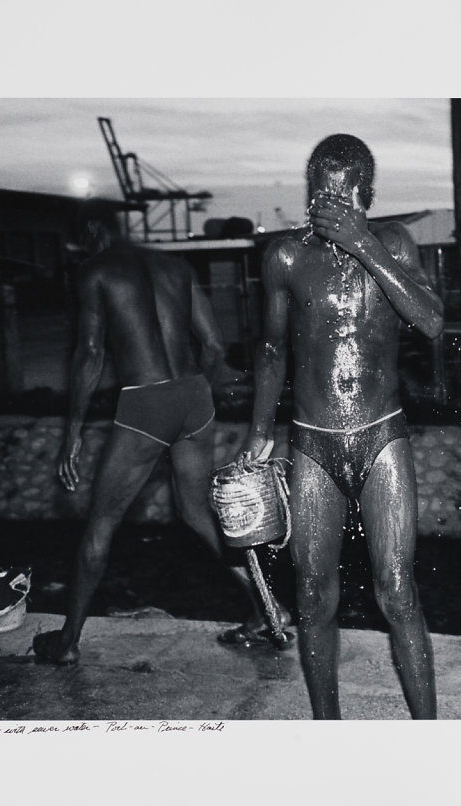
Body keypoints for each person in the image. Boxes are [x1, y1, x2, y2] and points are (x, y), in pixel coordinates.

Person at [238, 134, 442, 718]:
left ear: (367, 195)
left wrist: (363, 245)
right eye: (319, 193)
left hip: (382, 437)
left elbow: (429, 322)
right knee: (310, 596)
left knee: (398, 591)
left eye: (343, 195)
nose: (329, 204)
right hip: (311, 443)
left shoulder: (395, 243)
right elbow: (272, 349)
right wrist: (258, 432)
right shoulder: (285, 257)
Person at [33, 200, 289, 665]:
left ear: (92, 229)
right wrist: (215, 387)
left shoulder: (96, 270)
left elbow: (90, 355)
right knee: (197, 514)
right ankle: (266, 607)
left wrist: (72, 429)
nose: (80, 248)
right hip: (194, 400)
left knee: (100, 524)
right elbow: (213, 347)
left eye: (80, 239)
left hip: (145, 405)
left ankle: (67, 641)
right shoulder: (176, 266)